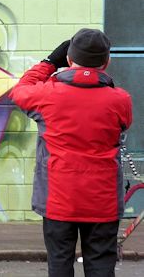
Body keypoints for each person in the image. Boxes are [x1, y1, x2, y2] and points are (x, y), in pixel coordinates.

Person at [9, 28, 132, 277]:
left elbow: (20, 90)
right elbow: (123, 123)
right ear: (106, 62)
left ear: (68, 58)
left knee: (59, 264)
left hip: (58, 200)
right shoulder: (120, 100)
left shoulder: (46, 95)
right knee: (101, 267)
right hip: (102, 201)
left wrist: (48, 63)